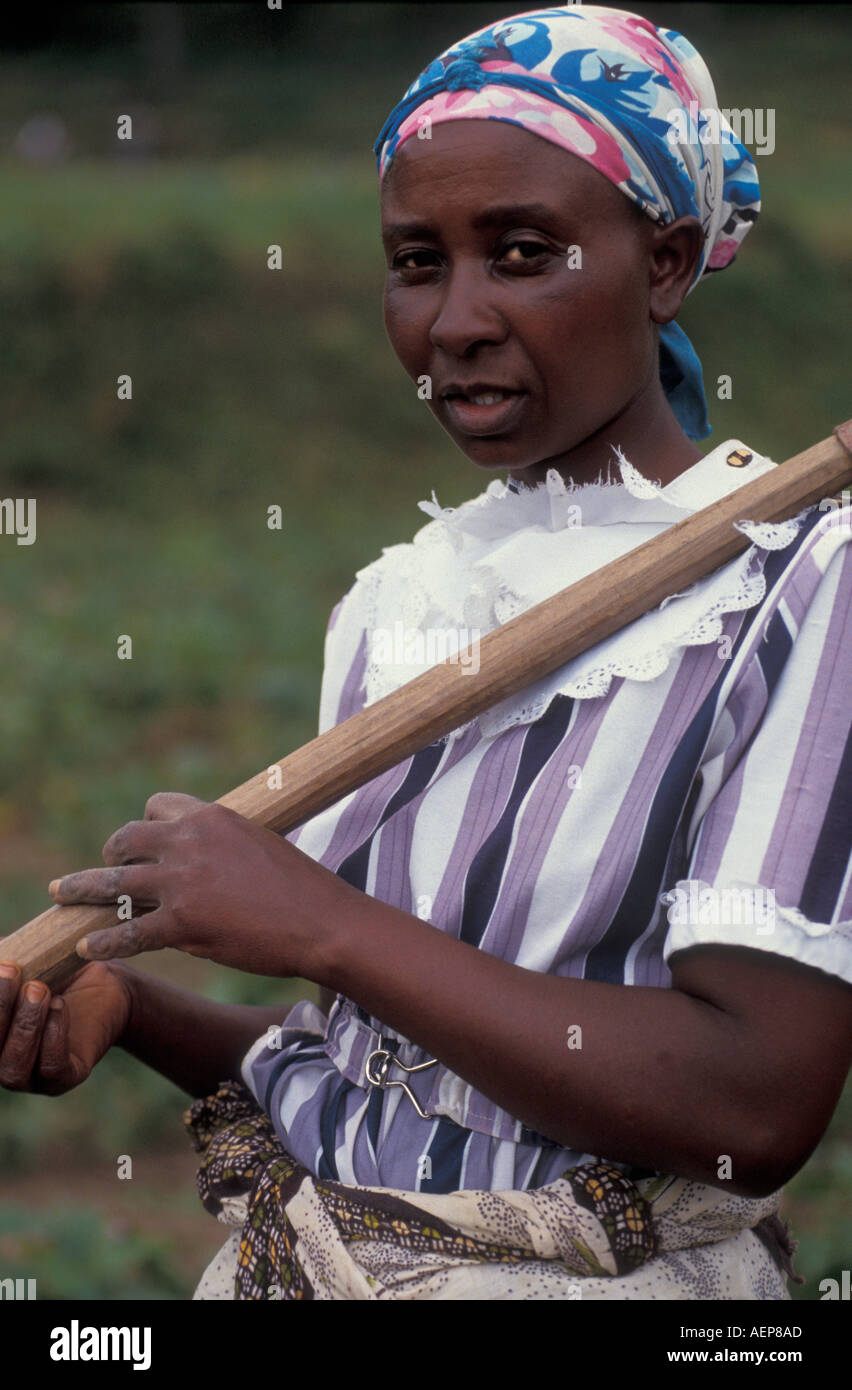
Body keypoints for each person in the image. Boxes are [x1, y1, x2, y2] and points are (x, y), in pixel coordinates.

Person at [1, 5, 850, 1301]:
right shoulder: (406, 595)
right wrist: (134, 1011)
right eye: (416, 263)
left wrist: (322, 924)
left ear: (667, 262)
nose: (454, 322)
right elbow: (401, 1092)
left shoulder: (797, 582)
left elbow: (752, 1099)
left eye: (522, 253)